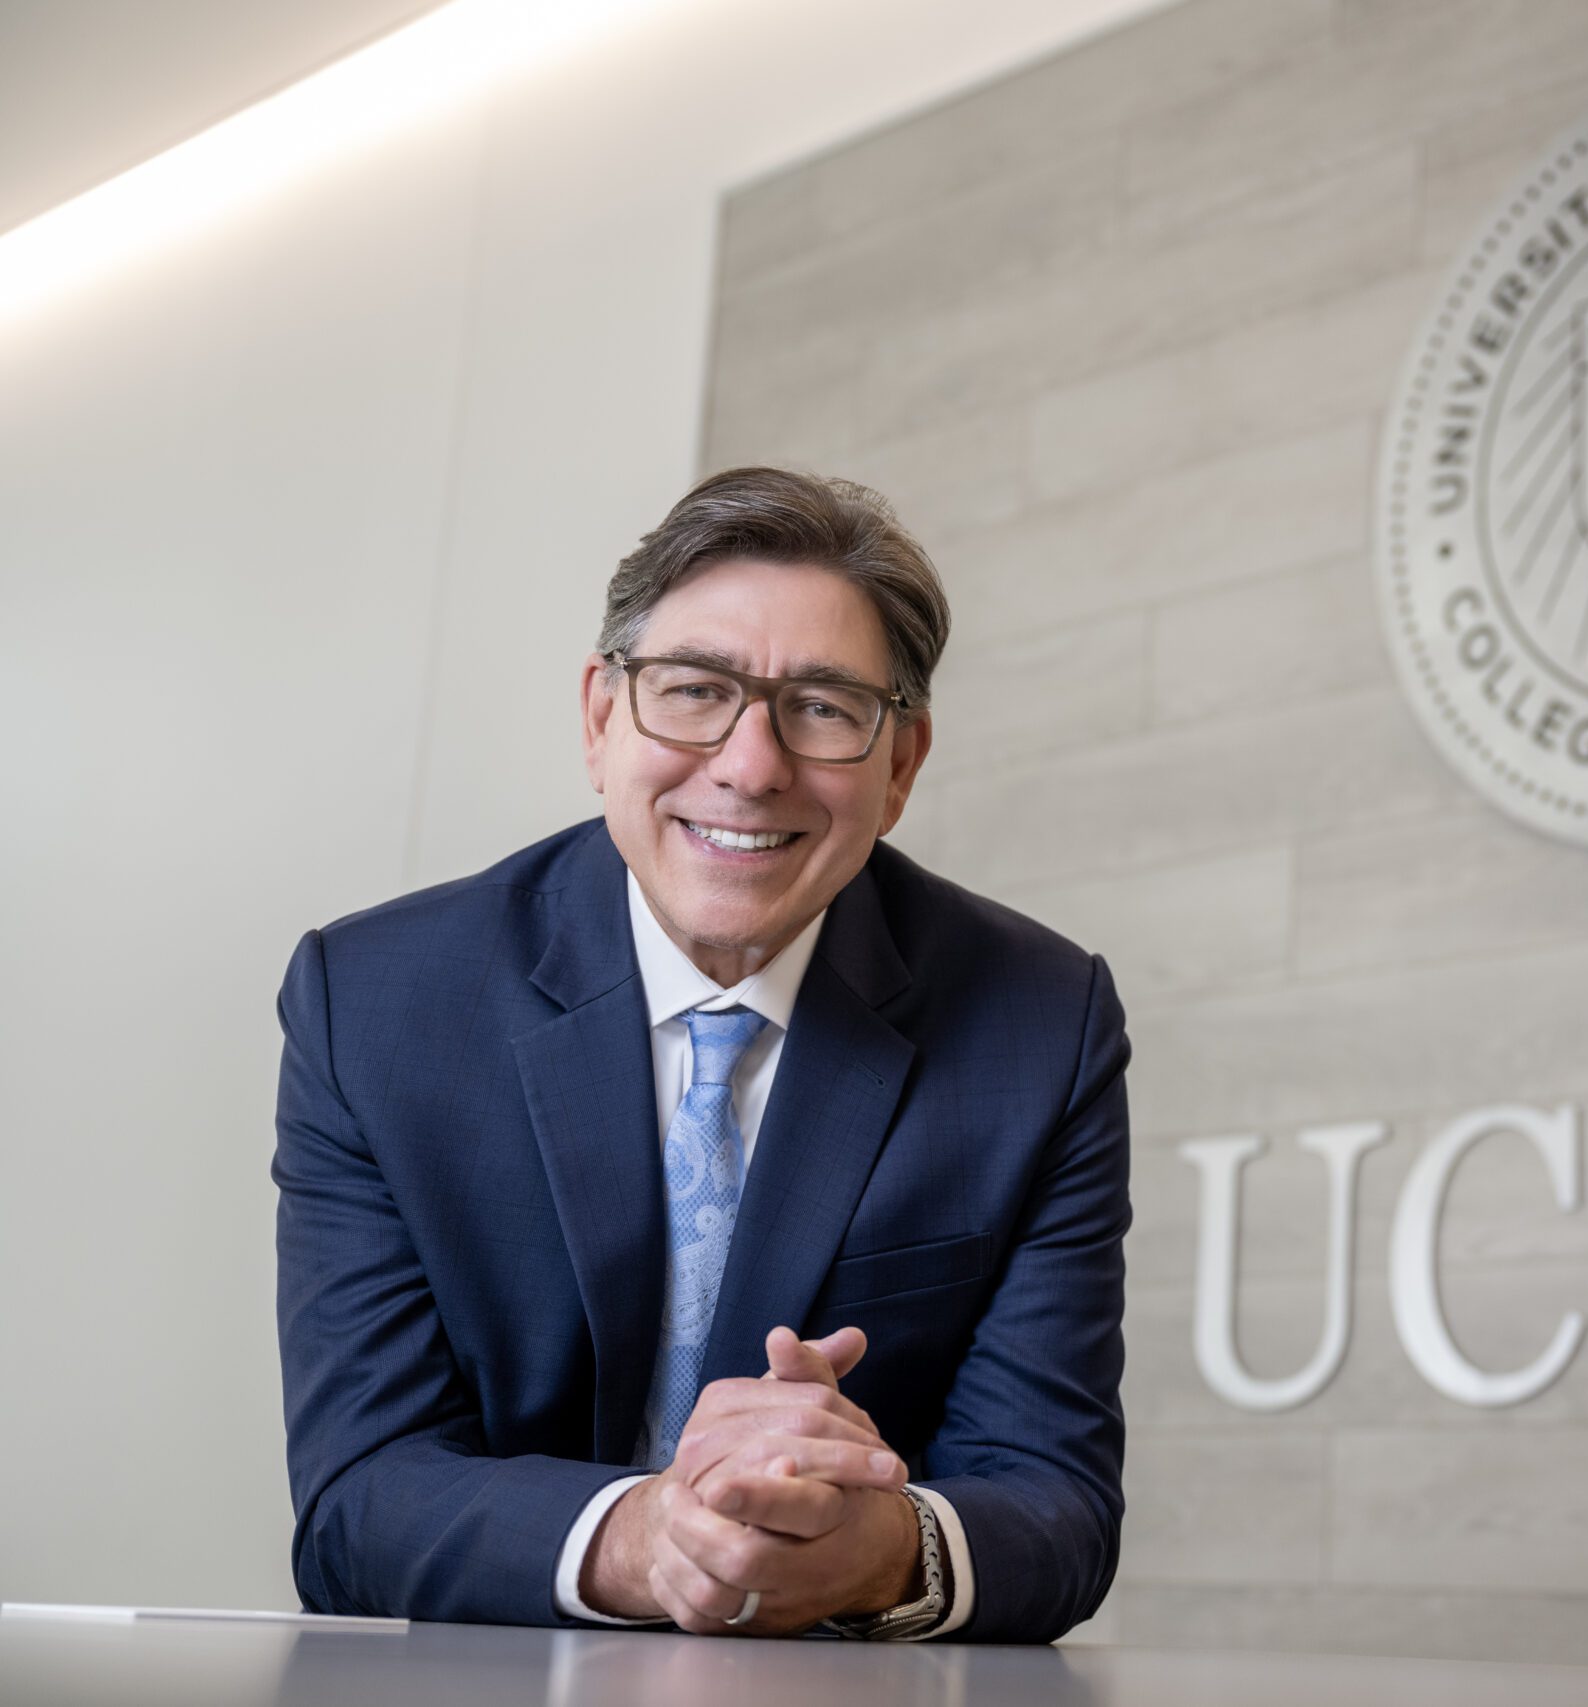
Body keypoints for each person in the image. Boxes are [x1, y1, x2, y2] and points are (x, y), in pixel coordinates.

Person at [273, 468, 1130, 1642]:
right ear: (599, 717)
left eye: (824, 708)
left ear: (902, 764)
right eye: (694, 691)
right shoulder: (373, 1005)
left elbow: (1055, 1508)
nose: (749, 764)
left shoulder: (1041, 1022)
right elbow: (356, 1500)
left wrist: (879, 1548)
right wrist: (649, 1537)